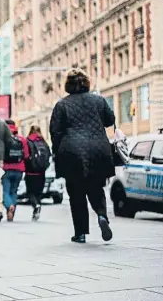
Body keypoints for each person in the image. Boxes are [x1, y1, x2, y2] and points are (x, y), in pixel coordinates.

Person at [49, 68, 115, 243]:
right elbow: (110, 121)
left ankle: (80, 233)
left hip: (72, 151)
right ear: (86, 82)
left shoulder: (62, 105)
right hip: (98, 149)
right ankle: (102, 215)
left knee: (76, 192)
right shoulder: (99, 101)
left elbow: (55, 132)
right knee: (96, 186)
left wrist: (58, 152)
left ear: (67, 85)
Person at [2, 119, 29, 222]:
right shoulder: (22, 139)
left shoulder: (3, 138)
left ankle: (9, 206)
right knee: (14, 191)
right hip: (19, 169)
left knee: (5, 191)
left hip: (6, 169)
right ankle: (12, 212)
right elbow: (26, 155)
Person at [25, 125, 51, 222]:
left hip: (30, 172)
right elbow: (49, 155)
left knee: (30, 192)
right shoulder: (44, 142)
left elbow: (26, 155)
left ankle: (36, 205)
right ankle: (37, 206)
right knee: (38, 193)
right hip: (41, 172)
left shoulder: (28, 141)